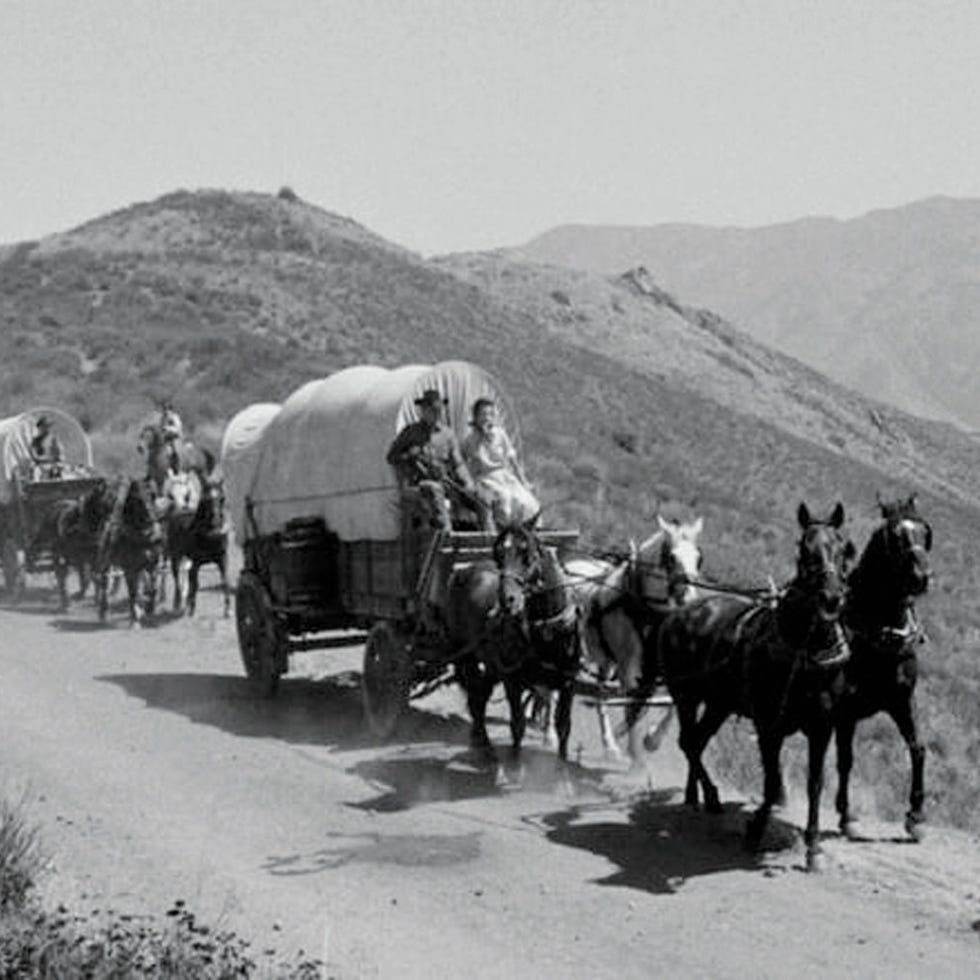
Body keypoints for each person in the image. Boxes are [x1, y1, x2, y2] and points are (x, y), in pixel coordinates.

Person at [386, 389, 491, 531]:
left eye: (438, 410)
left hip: (446, 481)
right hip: (419, 484)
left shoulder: (447, 434)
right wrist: (409, 455)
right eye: (432, 409)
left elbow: (458, 463)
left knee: (482, 497)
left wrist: (468, 482)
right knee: (434, 490)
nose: (436, 413)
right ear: (423, 410)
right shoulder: (411, 432)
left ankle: (490, 540)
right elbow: (391, 457)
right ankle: (447, 535)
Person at [461, 398, 540, 529]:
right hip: (486, 478)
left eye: (490, 414)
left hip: (504, 476)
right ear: (476, 417)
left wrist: (523, 481)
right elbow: (462, 461)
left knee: (526, 502)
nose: (487, 418)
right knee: (504, 499)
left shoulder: (500, 434)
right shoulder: (470, 439)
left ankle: (525, 532)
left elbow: (512, 459)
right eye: (483, 414)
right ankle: (504, 532)